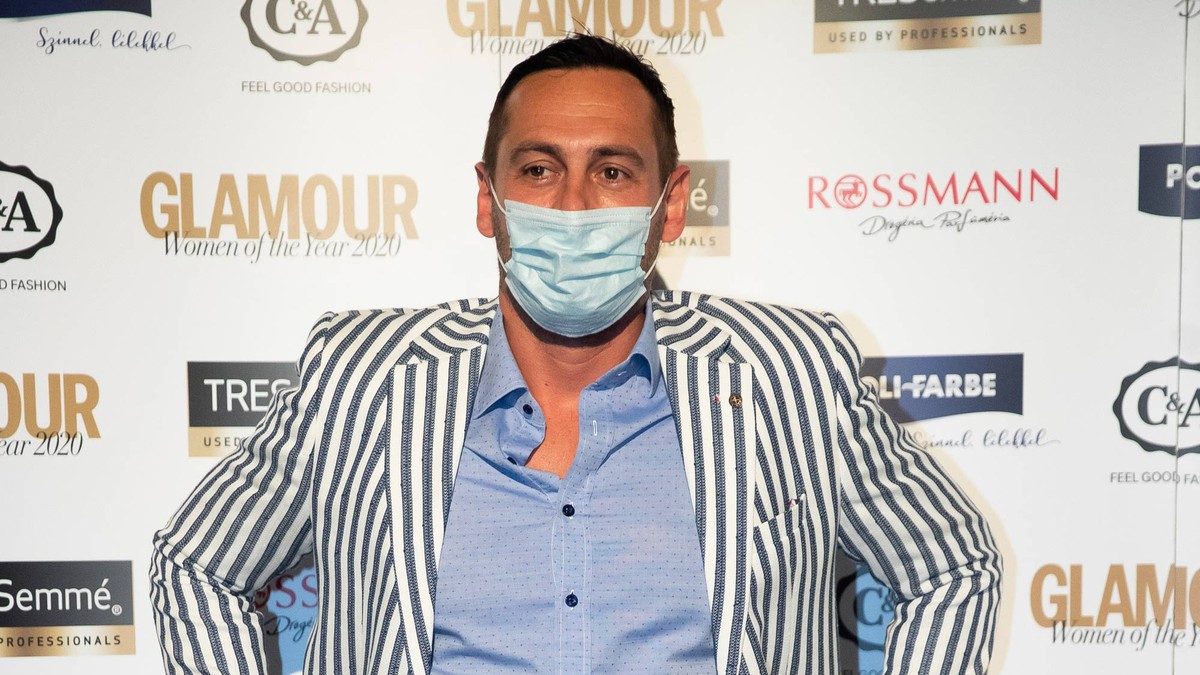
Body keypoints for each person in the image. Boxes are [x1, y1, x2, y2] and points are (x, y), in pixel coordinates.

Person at [150, 34, 1001, 675]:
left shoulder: (791, 372)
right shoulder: (361, 375)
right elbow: (196, 564)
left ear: (672, 203)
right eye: (538, 169)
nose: (574, 206)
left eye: (614, 172)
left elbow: (952, 563)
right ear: (488, 199)